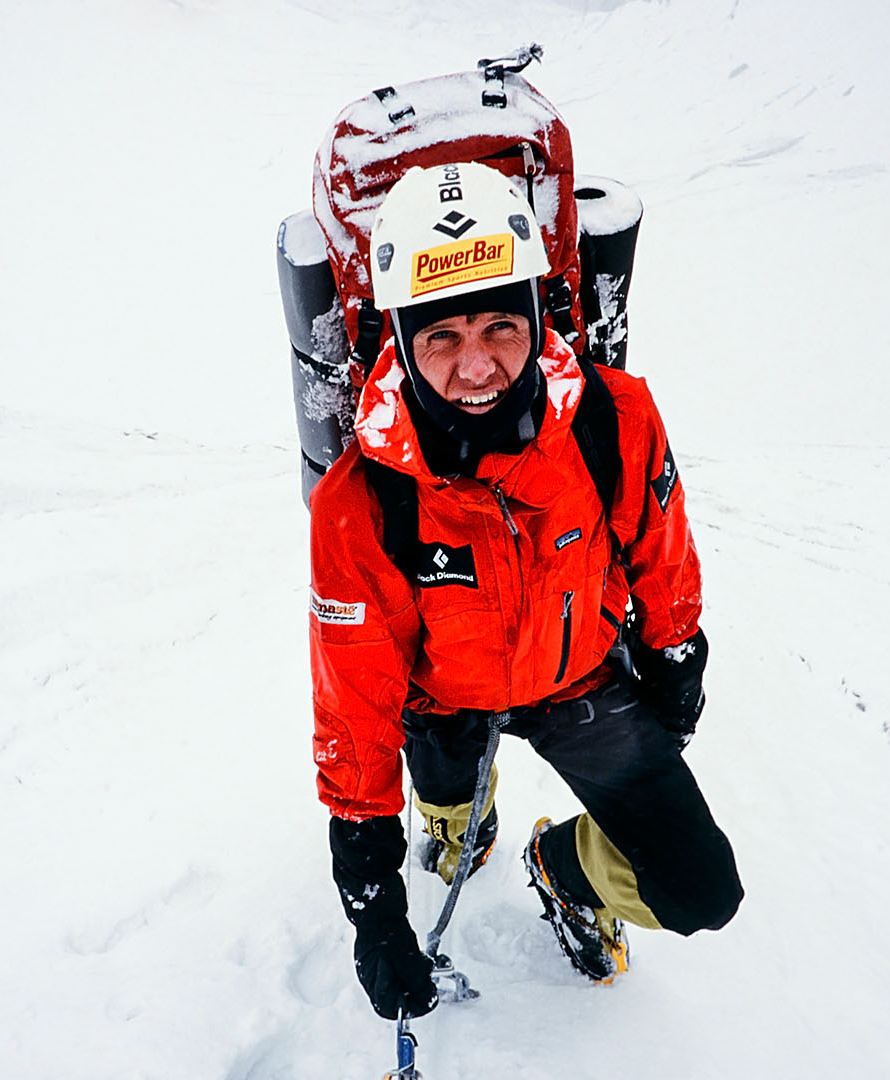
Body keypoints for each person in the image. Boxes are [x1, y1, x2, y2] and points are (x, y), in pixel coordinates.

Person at [308, 161, 742, 1022]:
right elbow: (354, 699)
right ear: (400, 339)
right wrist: (369, 891)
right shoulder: (361, 501)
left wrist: (675, 652)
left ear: (539, 315)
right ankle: (458, 817)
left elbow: (661, 547)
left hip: (579, 680)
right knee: (452, 842)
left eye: (501, 326)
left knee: (700, 892)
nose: (478, 366)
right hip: (442, 702)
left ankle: (565, 870)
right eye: (442, 337)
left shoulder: (612, 420)